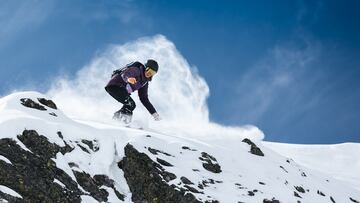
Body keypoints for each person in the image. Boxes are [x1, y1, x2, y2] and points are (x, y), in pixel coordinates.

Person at [105, 59, 161, 124]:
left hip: (121, 89)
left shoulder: (144, 82)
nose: (150, 73)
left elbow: (144, 99)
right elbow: (125, 74)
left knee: (131, 105)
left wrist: (154, 113)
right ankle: (123, 121)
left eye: (153, 73)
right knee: (131, 104)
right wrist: (128, 78)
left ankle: (119, 120)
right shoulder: (137, 70)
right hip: (115, 85)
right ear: (146, 67)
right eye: (150, 70)